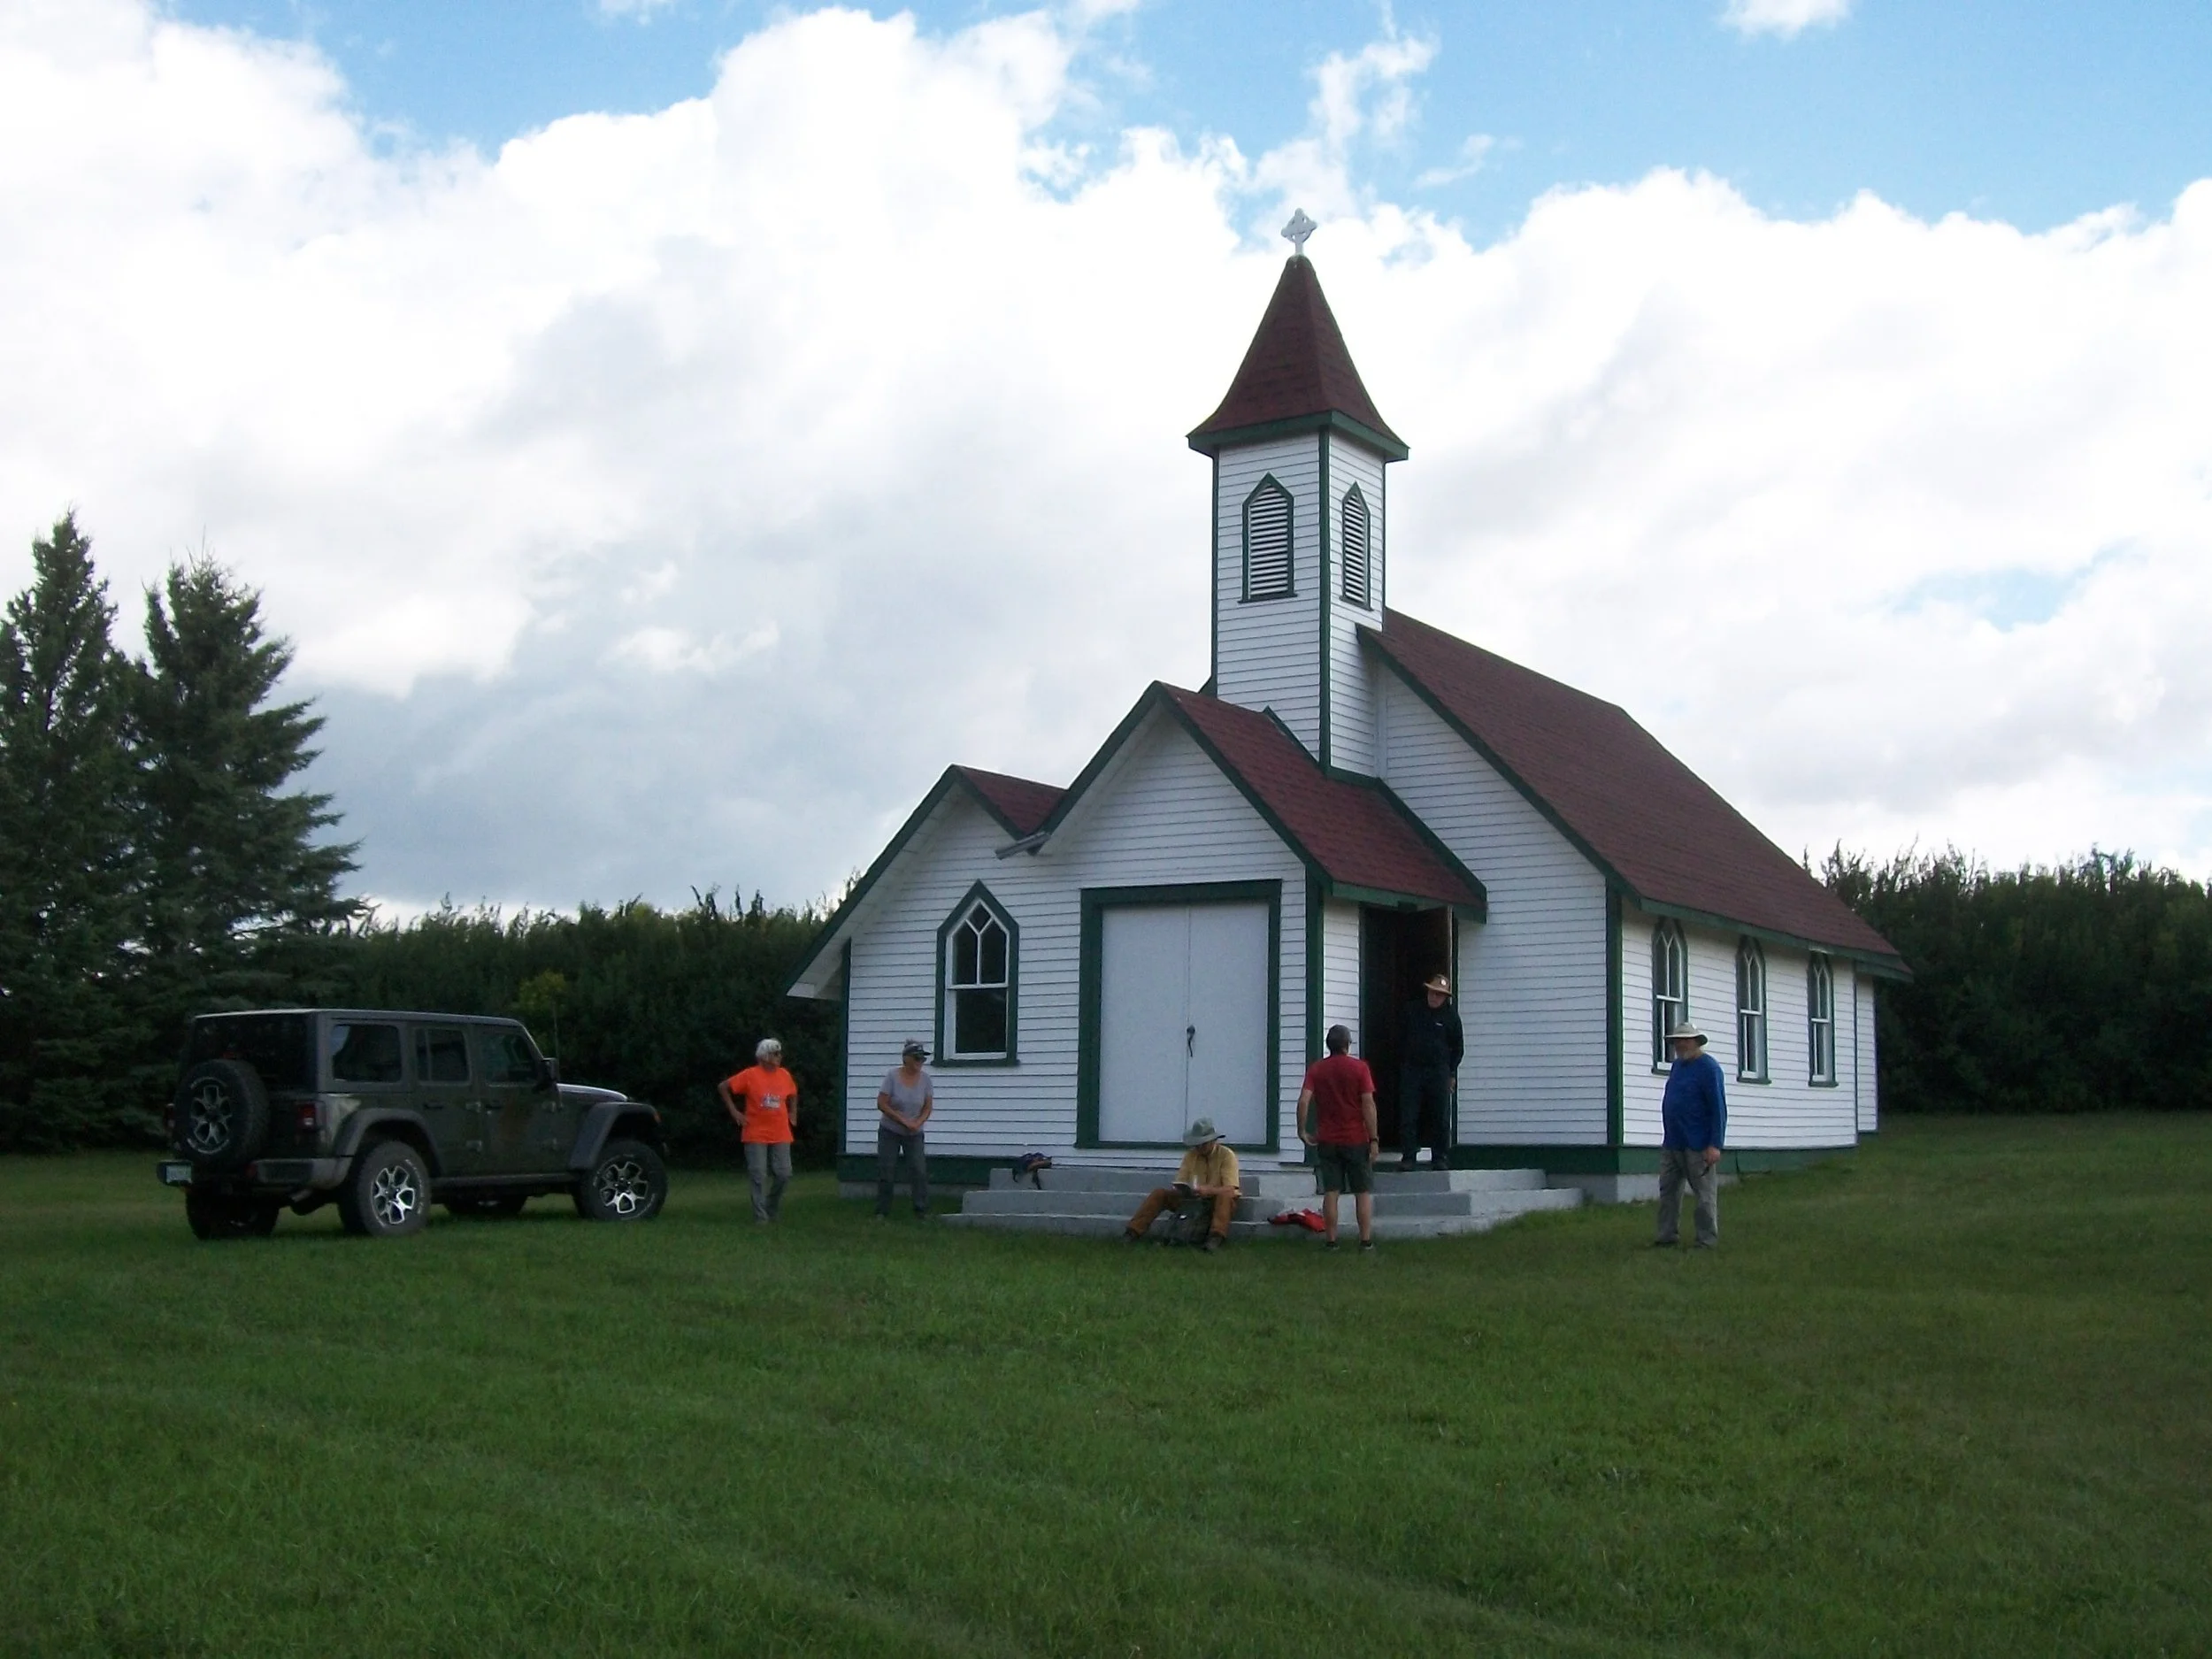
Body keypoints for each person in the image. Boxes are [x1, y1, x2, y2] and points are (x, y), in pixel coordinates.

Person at [1298, 1023, 1379, 1251]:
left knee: (1331, 1191)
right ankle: (1365, 1241)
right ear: (1347, 1045)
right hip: (1356, 1138)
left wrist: (1302, 1130)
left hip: (1328, 1139)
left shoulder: (1317, 1069)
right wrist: (1373, 1139)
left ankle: (1331, 1241)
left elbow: (1304, 1100)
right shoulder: (1360, 1068)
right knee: (1361, 1191)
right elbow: (1368, 1104)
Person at [1655, 1020, 1726, 1248]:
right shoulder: (1677, 1067)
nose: (1680, 1045)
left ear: (1696, 1042)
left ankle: (1707, 1239)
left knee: (1704, 1194)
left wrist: (1715, 1144)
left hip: (1698, 1143)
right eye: (1677, 1041)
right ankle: (1666, 1235)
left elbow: (1718, 1108)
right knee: (1668, 1191)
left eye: (1685, 1040)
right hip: (1673, 1141)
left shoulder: (1709, 1068)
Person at [1120, 1118, 1240, 1252]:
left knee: (1224, 1198)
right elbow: (1180, 1181)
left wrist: (1209, 1190)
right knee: (1159, 1194)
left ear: (1213, 1141)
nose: (1199, 1148)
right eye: (1197, 1144)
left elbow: (1231, 1188)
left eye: (1203, 1144)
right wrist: (1184, 1189)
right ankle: (1132, 1232)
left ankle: (1215, 1238)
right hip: (1194, 1200)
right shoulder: (1190, 1156)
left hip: (1216, 1202)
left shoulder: (1226, 1155)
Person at [718, 1037, 798, 1224]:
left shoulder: (784, 1075)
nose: (779, 1057)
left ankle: (771, 1206)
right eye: (774, 1054)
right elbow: (723, 1087)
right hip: (755, 1131)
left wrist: (793, 1113)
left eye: (779, 1053)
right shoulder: (750, 1075)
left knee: (784, 1173)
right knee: (758, 1174)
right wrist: (735, 1112)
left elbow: (793, 1093)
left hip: (780, 1131)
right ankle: (760, 1217)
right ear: (764, 1057)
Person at [1398, 972, 1463, 1170]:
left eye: (1439, 994)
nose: (1434, 997)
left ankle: (1440, 1156)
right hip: (1413, 1070)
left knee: (1440, 1115)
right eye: (1432, 993)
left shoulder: (1451, 1017)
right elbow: (1400, 1037)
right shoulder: (1413, 1010)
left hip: (1438, 1071)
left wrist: (1451, 1072)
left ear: (1445, 997)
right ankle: (1409, 1156)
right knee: (1409, 1114)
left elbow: (1458, 1047)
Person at [875, 1040, 933, 1219]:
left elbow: (927, 1106)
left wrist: (918, 1123)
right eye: (916, 1058)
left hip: (914, 1132)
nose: (919, 1063)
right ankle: (882, 1211)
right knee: (887, 1170)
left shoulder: (925, 1080)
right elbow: (882, 1103)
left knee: (919, 1170)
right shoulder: (892, 1076)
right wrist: (902, 1120)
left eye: (922, 1059)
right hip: (890, 1130)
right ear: (906, 1058)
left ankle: (920, 1210)